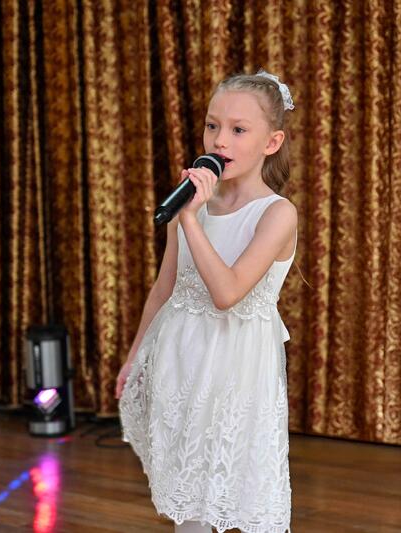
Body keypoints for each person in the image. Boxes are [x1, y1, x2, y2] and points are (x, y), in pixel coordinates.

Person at [116, 69, 297, 533]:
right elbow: (165, 287)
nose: (220, 140)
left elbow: (227, 294)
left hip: (237, 368)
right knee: (190, 492)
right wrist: (136, 356)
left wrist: (191, 219)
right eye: (213, 126)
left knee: (236, 482)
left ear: (271, 142)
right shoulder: (193, 207)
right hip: (184, 358)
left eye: (238, 130)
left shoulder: (277, 214)